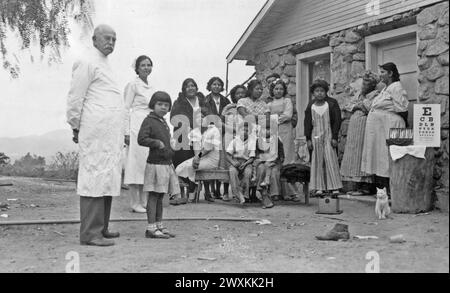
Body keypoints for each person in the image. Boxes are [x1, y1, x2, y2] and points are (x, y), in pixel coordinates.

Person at [66, 24, 122, 247]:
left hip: (109, 133)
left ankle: (102, 227)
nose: (110, 42)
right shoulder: (87, 62)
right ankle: (90, 233)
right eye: (106, 38)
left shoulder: (106, 64)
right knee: (94, 177)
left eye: (114, 39)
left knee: (106, 177)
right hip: (95, 130)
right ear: (94, 40)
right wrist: (75, 125)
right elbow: (75, 98)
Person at [138, 91, 180, 239]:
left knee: (161, 195)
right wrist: (157, 143)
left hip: (165, 163)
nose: (163, 107)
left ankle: (159, 225)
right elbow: (141, 139)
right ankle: (151, 228)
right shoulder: (149, 120)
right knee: (154, 196)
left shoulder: (163, 122)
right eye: (160, 104)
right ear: (153, 105)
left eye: (166, 105)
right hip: (155, 164)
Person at [361, 62, 409, 193]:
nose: (380, 75)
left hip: (389, 125)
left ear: (390, 73)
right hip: (380, 128)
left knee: (386, 155)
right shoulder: (385, 88)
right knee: (379, 156)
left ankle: (390, 189)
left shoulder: (396, 87)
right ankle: (381, 189)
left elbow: (402, 108)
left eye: (383, 72)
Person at [123, 55, 154, 213]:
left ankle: (144, 201)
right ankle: (134, 202)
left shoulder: (151, 86)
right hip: (135, 126)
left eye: (149, 65)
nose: (146, 68)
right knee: (135, 164)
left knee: (146, 163)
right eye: (143, 65)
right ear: (137, 67)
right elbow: (125, 108)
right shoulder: (133, 84)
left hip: (149, 125)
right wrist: (126, 132)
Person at [340, 71, 380, 195]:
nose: (364, 86)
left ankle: (366, 186)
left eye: (367, 84)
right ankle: (357, 185)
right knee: (354, 154)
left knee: (363, 154)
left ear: (372, 85)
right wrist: (357, 106)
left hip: (365, 126)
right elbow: (347, 106)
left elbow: (371, 108)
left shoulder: (376, 95)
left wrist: (360, 105)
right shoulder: (360, 95)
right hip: (354, 127)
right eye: (364, 83)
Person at [304, 79, 343, 197]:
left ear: (326, 92)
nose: (319, 93)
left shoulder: (331, 103)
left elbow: (337, 121)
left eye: (322, 91)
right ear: (313, 93)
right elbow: (307, 123)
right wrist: (308, 139)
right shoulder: (311, 105)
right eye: (317, 91)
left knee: (330, 159)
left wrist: (335, 137)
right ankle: (318, 187)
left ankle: (334, 187)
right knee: (317, 160)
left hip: (328, 135)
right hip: (315, 136)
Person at [170, 78, 206, 203]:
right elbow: (173, 118)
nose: (191, 88)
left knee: (194, 161)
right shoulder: (179, 102)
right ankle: (181, 193)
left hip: (200, 135)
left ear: (196, 88)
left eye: (193, 86)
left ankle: (192, 190)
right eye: (188, 86)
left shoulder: (202, 101)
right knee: (182, 162)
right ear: (184, 89)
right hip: (183, 136)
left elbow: (209, 115)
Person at [175, 107, 222, 202]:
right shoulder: (194, 132)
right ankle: (191, 190)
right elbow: (196, 149)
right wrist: (196, 158)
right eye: (197, 117)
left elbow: (208, 148)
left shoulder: (214, 130)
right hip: (201, 158)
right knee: (178, 168)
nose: (200, 119)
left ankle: (193, 191)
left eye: (203, 117)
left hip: (211, 159)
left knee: (190, 167)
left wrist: (197, 157)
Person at [267, 78, 300, 201]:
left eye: (281, 89)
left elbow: (288, 115)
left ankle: (291, 193)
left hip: (286, 131)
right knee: (275, 158)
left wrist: (274, 119)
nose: (278, 91)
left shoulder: (287, 101)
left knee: (287, 158)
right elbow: (266, 117)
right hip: (274, 131)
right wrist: (273, 120)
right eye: (276, 89)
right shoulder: (269, 104)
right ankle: (277, 191)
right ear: (272, 90)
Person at [204, 77, 230, 200]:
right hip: (210, 131)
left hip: (223, 132)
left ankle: (219, 190)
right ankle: (209, 191)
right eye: (214, 84)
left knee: (221, 159)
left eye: (219, 85)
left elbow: (228, 115)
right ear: (210, 86)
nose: (216, 86)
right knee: (210, 159)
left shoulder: (226, 100)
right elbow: (208, 115)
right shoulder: (205, 100)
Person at [255, 114, 284, 209]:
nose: (267, 131)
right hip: (262, 162)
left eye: (269, 129)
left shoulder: (277, 140)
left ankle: (272, 194)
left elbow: (280, 156)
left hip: (274, 163)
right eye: (264, 129)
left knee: (274, 172)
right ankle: (263, 192)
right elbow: (257, 155)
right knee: (260, 169)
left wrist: (272, 161)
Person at [226, 123, 257, 204]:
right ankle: (238, 195)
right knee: (232, 172)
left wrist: (245, 164)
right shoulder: (234, 141)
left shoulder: (251, 141)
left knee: (248, 173)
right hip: (235, 162)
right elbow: (228, 155)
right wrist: (233, 162)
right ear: (239, 131)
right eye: (243, 130)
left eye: (247, 130)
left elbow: (252, 158)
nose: (245, 132)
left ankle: (245, 195)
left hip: (247, 163)